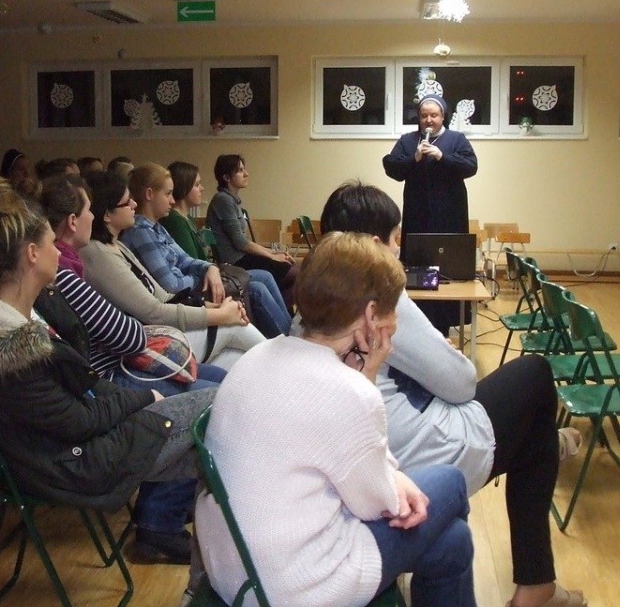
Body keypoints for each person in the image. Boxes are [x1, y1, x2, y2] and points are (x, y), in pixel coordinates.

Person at [318, 181, 586, 607]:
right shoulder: (380, 296)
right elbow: (462, 383)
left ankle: (545, 453)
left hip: (364, 460)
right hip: (412, 460)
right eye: (395, 240)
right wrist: (446, 354)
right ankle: (537, 583)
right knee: (535, 376)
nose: (399, 250)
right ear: (374, 246)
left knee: (530, 425)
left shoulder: (312, 305)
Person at [0, 175, 213, 564]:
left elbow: (86, 384)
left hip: (82, 441)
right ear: (32, 254)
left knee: (217, 428)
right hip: (75, 463)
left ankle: (205, 538)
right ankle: (211, 543)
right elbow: (78, 420)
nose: (58, 253)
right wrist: (143, 398)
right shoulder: (7, 346)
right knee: (220, 412)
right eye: (51, 244)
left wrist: (136, 398)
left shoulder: (18, 313)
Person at [196, 231, 475, 607]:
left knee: (453, 542)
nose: (396, 321)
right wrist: (368, 382)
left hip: (235, 571)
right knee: (452, 483)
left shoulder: (258, 357)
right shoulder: (348, 392)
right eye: (393, 309)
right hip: (297, 587)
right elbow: (377, 504)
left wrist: (390, 476)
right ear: (371, 315)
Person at [41, 173, 225, 394]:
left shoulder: (91, 255)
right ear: (72, 221)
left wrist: (208, 303)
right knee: (221, 389)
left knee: (222, 376)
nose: (92, 216)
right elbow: (132, 334)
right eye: (89, 210)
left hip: (127, 355)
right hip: (112, 373)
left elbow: (159, 298)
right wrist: (219, 314)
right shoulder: (65, 271)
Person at [80, 170, 265, 370]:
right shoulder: (99, 253)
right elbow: (155, 312)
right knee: (236, 327)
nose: (134, 204)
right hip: (144, 348)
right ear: (107, 214)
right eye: (127, 202)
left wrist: (212, 306)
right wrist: (221, 315)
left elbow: (164, 296)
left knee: (239, 358)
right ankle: (284, 366)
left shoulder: (117, 245)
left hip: (158, 334)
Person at [126, 162, 290, 338]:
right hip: (184, 298)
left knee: (265, 277)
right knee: (257, 289)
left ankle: (289, 334)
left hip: (194, 285)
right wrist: (204, 276)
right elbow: (172, 285)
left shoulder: (156, 227)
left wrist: (209, 268)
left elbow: (185, 259)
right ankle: (288, 339)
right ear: (149, 194)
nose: (172, 200)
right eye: (167, 194)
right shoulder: (141, 232)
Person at [382, 94, 478, 335]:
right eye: (424, 115)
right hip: (418, 215)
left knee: (449, 267)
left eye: (434, 115)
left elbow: (471, 167)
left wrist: (442, 157)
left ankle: (445, 324)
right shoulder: (408, 140)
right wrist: (414, 159)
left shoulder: (456, 139)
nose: (428, 120)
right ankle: (418, 323)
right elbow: (392, 167)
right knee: (419, 266)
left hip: (450, 216)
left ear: (443, 117)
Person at [205, 154, 298, 312]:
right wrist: (272, 256)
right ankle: (282, 315)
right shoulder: (223, 200)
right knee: (298, 275)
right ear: (226, 177)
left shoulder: (231, 200)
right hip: (235, 262)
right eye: (240, 171)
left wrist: (274, 253)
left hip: (243, 257)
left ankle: (279, 312)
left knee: (293, 271)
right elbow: (240, 243)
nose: (246, 174)